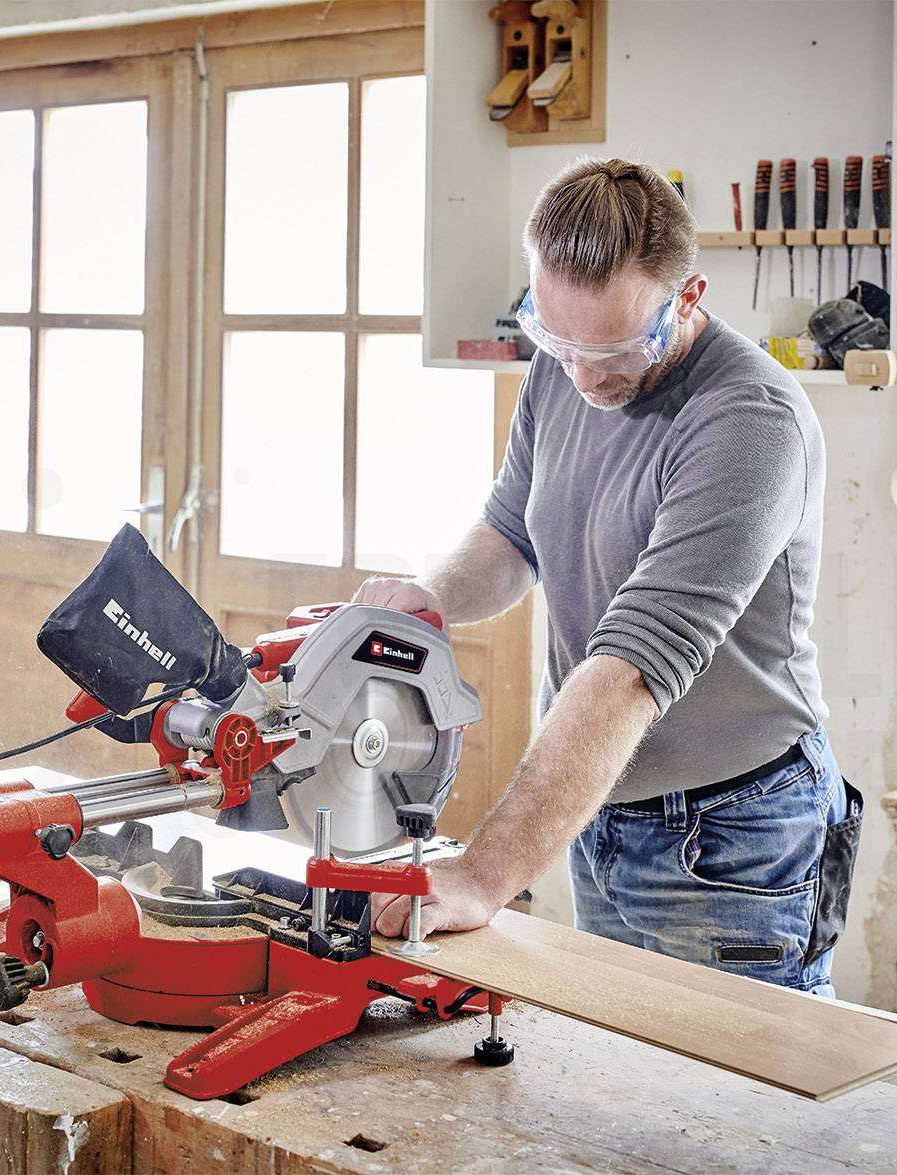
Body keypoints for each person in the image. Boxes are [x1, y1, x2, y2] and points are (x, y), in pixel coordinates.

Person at [359, 158, 862, 995]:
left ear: (689, 297)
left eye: (617, 348)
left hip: (734, 834)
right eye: (559, 341)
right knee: (623, 1066)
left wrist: (483, 874)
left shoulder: (751, 420)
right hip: (599, 809)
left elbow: (633, 669)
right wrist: (432, 598)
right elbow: (512, 531)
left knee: (735, 1079)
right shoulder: (561, 370)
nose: (586, 376)